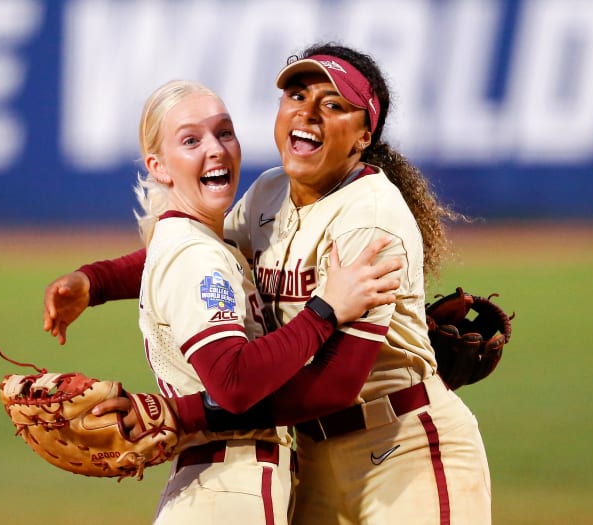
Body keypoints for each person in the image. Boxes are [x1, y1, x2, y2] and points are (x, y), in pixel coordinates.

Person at [44, 44, 492, 525]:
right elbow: (198, 253)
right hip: (314, 456)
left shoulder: (370, 219)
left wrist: (185, 413)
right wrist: (96, 282)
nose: (309, 113)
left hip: (402, 451)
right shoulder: (268, 194)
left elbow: (337, 386)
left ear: (363, 136)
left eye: (334, 104)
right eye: (297, 95)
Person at [74, 78, 400, 525]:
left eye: (224, 132)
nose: (215, 149)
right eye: (191, 140)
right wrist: (324, 311)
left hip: (213, 488)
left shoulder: (199, 242)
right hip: (229, 491)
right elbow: (232, 381)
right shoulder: (198, 255)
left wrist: (96, 281)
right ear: (159, 166)